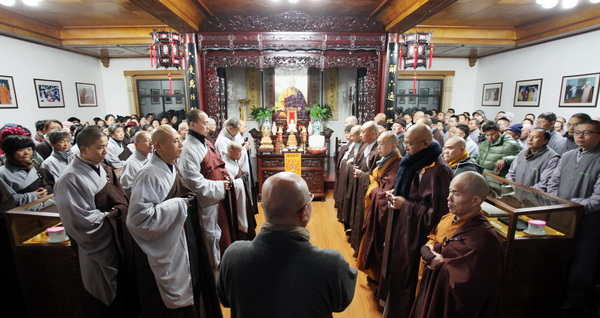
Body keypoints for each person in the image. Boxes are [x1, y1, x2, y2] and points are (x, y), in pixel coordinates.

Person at [218, 172, 357, 317]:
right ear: (304, 212)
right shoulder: (330, 264)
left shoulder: (233, 256)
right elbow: (342, 302)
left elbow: (225, 299)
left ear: (264, 208)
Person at [127, 125, 221, 317]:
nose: (181, 144)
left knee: (193, 281)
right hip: (167, 245)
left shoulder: (170, 167)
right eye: (175, 141)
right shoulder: (149, 174)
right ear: (158, 146)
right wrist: (179, 204)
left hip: (183, 236)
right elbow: (138, 219)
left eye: (180, 140)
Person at [54, 126, 137, 316]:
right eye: (100, 147)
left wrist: (121, 211)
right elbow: (79, 221)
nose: (106, 152)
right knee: (106, 299)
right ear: (83, 149)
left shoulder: (103, 169)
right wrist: (115, 216)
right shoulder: (69, 179)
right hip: (99, 247)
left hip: (119, 240)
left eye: (106, 146)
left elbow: (120, 197)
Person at [380, 124, 453, 317]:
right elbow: (411, 192)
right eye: (405, 143)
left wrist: (405, 205)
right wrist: (396, 194)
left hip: (417, 236)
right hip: (403, 227)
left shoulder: (437, 170)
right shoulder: (413, 161)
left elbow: (436, 214)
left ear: (426, 143)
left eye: (410, 144)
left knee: (408, 277)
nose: (406, 148)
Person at [411, 172, 504, 318]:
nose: (449, 198)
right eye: (449, 191)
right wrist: (429, 250)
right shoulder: (448, 218)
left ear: (475, 200)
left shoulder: (485, 239)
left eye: (456, 194)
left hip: (450, 306)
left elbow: (474, 287)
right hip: (430, 288)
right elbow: (434, 238)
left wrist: (440, 264)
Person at [547, 119, 600, 310]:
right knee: (560, 259)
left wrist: (568, 206)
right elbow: (553, 183)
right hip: (562, 216)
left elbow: (597, 200)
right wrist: (558, 204)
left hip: (588, 222)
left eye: (587, 133)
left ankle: (574, 303)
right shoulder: (568, 155)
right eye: (577, 132)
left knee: (581, 265)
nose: (580, 136)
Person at [179, 109, 233, 268]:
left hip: (216, 198)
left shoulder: (205, 142)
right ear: (193, 124)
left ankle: (221, 266)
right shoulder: (188, 148)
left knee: (218, 234)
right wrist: (219, 185)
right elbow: (192, 181)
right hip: (205, 201)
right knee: (210, 236)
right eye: (204, 123)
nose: (208, 127)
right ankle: (213, 273)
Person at [356, 131, 402, 284]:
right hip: (374, 206)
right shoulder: (387, 159)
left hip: (382, 211)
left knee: (377, 242)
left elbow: (384, 192)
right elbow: (375, 177)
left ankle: (377, 277)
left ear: (393, 146)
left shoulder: (397, 163)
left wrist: (373, 187)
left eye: (382, 144)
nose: (378, 147)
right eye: (379, 143)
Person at [349, 121, 380, 252]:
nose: (360, 135)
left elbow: (377, 175)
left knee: (364, 216)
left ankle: (362, 247)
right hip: (361, 186)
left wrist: (362, 174)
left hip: (369, 188)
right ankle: (357, 244)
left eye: (363, 132)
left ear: (373, 134)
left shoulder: (378, 149)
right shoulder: (365, 146)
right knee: (358, 212)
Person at [0, 135, 54, 206]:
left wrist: (46, 190)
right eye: (20, 150)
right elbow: (6, 200)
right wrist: (33, 195)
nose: (27, 153)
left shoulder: (35, 167)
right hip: (21, 214)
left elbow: (51, 183)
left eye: (29, 149)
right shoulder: (2, 173)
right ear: (10, 153)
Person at [222, 141, 256, 238]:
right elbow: (231, 184)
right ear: (231, 152)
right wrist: (241, 179)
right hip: (235, 199)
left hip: (242, 194)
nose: (241, 154)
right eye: (239, 152)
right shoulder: (226, 165)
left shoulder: (233, 161)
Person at [119, 131, 152, 195]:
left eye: (151, 140)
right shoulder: (130, 163)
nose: (151, 143)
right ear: (136, 144)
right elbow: (127, 189)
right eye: (146, 141)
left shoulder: (151, 156)